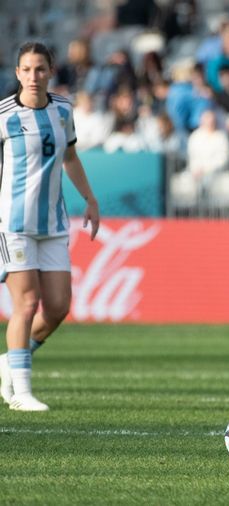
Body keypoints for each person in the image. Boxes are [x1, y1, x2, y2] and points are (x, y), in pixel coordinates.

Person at [0, 42, 100, 411]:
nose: (33, 76)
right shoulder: (4, 115)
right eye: (26, 69)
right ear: (17, 73)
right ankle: (21, 392)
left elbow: (70, 156)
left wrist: (90, 199)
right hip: (14, 224)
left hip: (54, 223)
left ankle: (10, 359)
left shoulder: (62, 110)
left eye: (39, 69)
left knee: (57, 308)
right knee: (26, 303)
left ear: (50, 71)